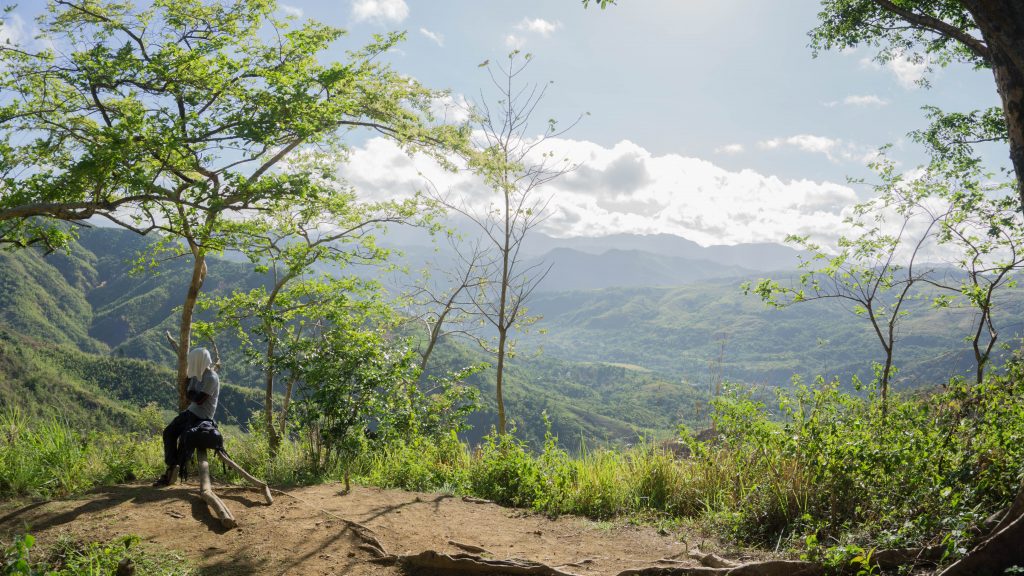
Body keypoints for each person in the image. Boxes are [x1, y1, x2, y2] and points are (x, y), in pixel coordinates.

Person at [153, 347, 220, 486]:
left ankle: (173, 471)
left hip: (203, 417)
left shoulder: (211, 377)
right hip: (191, 412)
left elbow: (199, 399)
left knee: (185, 438)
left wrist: (193, 395)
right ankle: (172, 466)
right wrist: (193, 395)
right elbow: (190, 395)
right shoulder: (196, 376)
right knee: (169, 432)